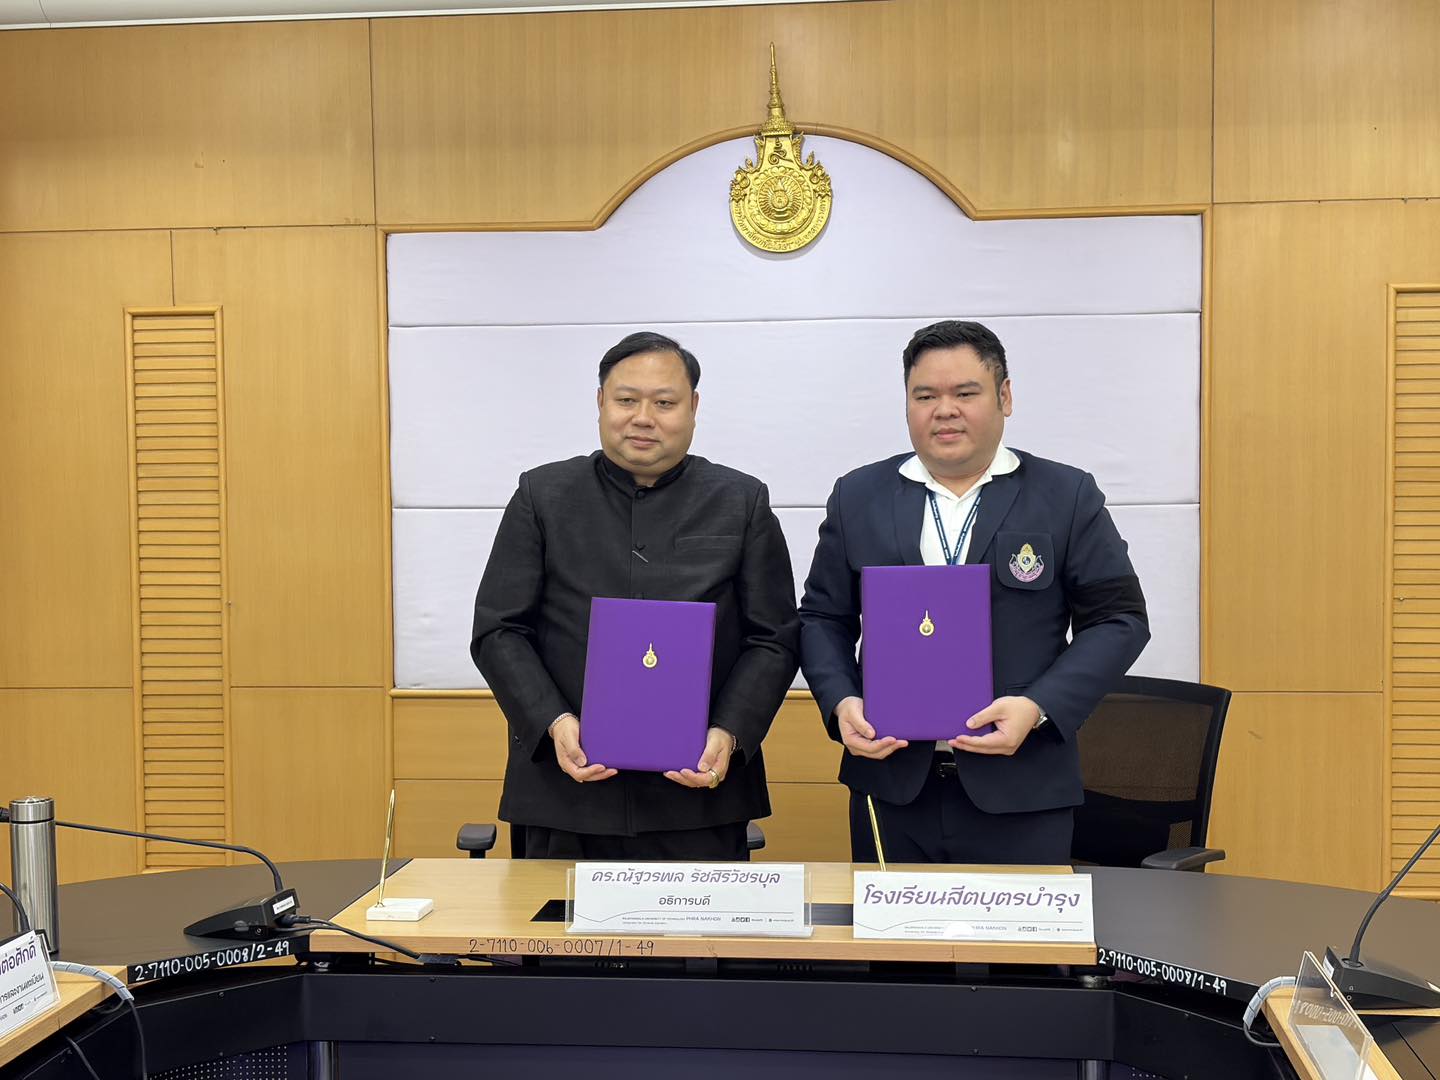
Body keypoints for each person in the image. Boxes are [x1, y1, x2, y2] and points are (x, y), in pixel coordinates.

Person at [799, 320, 1149, 864]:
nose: (945, 410)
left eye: (965, 393)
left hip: (1024, 785)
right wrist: (842, 700)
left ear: (1004, 397)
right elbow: (823, 617)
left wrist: (1038, 706)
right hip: (891, 784)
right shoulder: (858, 496)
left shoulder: (1065, 495)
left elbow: (1119, 620)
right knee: (894, 924)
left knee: (1016, 927)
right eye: (925, 396)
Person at [471, 331, 799, 861]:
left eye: (664, 403)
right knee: (555, 918)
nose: (643, 418)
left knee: (699, 922)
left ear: (693, 407)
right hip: (563, 792)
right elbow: (498, 629)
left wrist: (730, 731)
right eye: (627, 400)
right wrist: (554, 722)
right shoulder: (542, 496)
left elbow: (774, 638)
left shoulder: (741, 501)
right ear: (601, 402)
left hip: (699, 796)